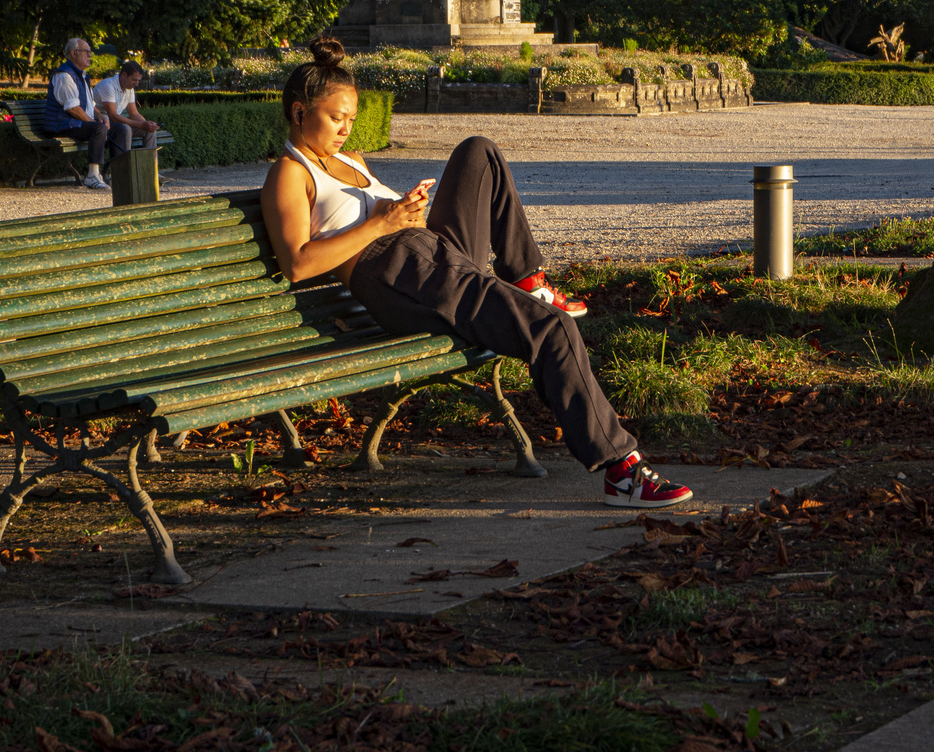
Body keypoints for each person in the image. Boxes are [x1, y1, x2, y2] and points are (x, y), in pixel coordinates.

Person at [260, 37, 693, 509]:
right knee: (552, 329)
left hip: (427, 253)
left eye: (351, 117)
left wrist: (405, 210)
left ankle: (527, 278)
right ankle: (622, 472)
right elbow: (298, 262)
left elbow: (377, 220)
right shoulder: (290, 172)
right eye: (334, 118)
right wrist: (382, 222)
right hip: (397, 275)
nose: (346, 128)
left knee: (478, 151)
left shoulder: (350, 160)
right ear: (300, 113)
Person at [44, 38, 128, 190]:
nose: (90, 55)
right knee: (98, 129)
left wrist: (101, 117)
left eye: (90, 52)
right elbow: (73, 109)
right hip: (62, 124)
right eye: (86, 52)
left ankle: (119, 175)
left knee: (120, 129)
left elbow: (91, 105)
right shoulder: (64, 76)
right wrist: (95, 124)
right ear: (73, 53)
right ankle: (92, 176)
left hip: (77, 123)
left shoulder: (82, 75)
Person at [93, 59, 160, 150]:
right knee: (125, 129)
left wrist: (146, 124)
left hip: (116, 125)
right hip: (101, 125)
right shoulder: (108, 86)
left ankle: (149, 162)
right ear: (124, 75)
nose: (136, 84)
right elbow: (113, 116)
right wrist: (141, 125)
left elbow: (134, 114)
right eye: (134, 80)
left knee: (150, 131)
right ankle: (127, 162)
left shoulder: (129, 89)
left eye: (138, 80)